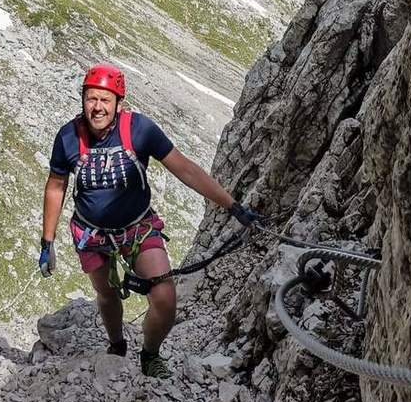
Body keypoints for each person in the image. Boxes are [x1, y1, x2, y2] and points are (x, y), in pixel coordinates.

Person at [39, 63, 259, 378]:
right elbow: (56, 186)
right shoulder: (68, 137)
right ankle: (117, 345)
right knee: (107, 294)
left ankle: (150, 354)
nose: (97, 107)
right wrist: (47, 242)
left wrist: (232, 205)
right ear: (83, 100)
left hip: (137, 228)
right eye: (91, 98)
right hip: (91, 232)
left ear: (119, 103)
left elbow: (185, 169)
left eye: (105, 100)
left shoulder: (139, 130)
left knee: (165, 297)